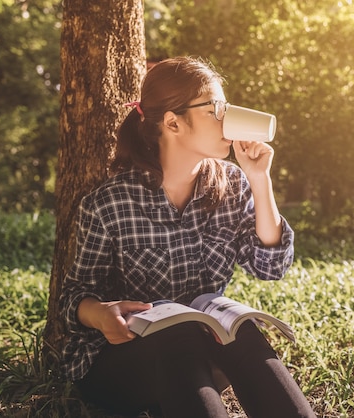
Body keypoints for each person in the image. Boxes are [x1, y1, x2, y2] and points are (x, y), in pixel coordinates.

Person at [59, 56, 316, 418]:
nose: (227, 118)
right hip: (120, 365)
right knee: (178, 336)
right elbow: (71, 297)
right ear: (172, 122)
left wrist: (260, 179)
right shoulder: (110, 203)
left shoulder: (232, 184)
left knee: (239, 329)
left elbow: (271, 266)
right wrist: (101, 315)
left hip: (200, 357)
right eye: (215, 109)